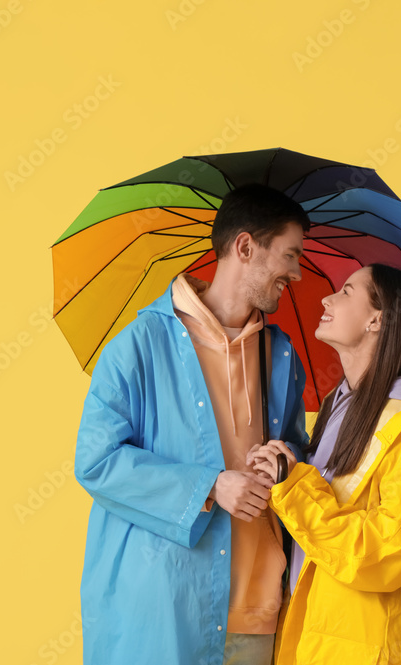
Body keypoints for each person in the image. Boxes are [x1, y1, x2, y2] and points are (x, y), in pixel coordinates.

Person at [74, 184, 311, 665]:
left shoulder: (281, 353)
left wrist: (287, 464)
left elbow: (301, 454)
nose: (297, 273)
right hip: (165, 610)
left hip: (259, 611)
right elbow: (96, 461)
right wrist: (210, 486)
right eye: (290, 255)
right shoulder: (138, 345)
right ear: (245, 247)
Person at [248, 263, 401, 664]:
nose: (326, 298)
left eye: (347, 291)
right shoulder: (341, 410)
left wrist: (294, 488)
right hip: (324, 641)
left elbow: (388, 550)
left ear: (377, 320)